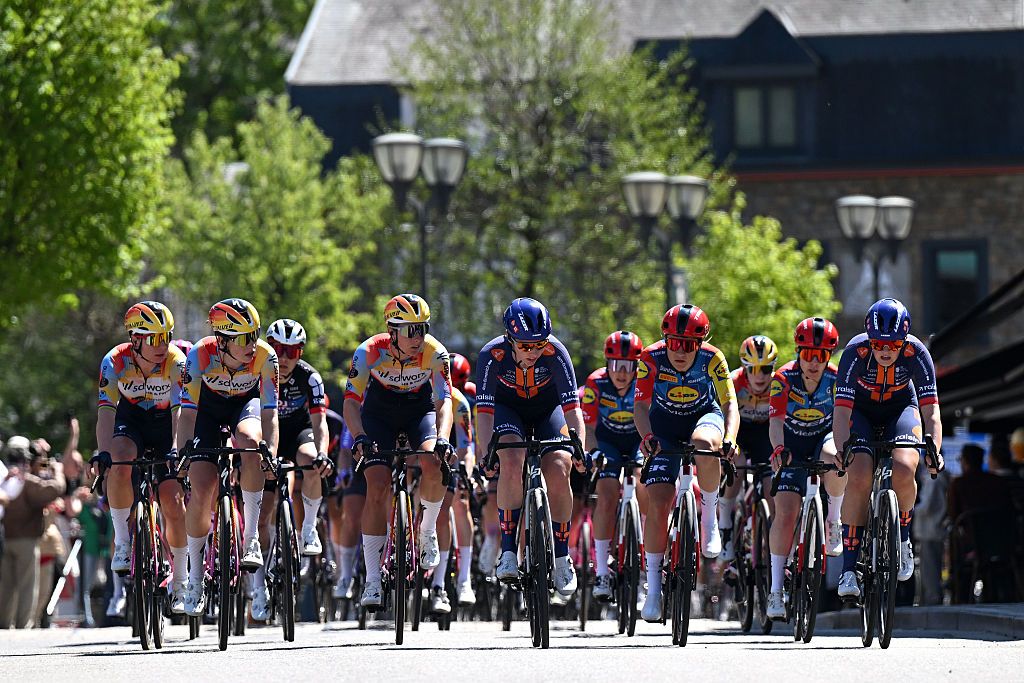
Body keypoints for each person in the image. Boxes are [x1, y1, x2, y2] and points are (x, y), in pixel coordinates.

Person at [344, 294, 454, 610]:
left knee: (434, 460)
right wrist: (359, 436)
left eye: (422, 329)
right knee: (377, 486)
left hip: (419, 411)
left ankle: (427, 529)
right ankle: (373, 582)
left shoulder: (435, 353)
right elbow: (351, 402)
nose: (418, 338)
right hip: (378, 414)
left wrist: (443, 437)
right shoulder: (368, 352)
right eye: (410, 331)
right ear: (392, 331)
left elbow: (444, 400)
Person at [633, 304, 739, 622]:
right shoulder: (650, 358)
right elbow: (639, 405)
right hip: (663, 426)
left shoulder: (712, 358)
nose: (680, 351)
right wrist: (647, 436)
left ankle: (708, 518)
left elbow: (729, 405)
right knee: (659, 502)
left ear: (700, 343)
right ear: (665, 339)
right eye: (674, 343)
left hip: (703, 418)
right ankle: (653, 590)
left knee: (705, 445)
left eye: (688, 344)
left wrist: (730, 437)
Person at [833, 298, 944, 600]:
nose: (884, 351)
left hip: (901, 410)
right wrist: (842, 450)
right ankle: (848, 569)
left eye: (892, 345)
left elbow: (930, 411)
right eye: (879, 345)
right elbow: (841, 413)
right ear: (869, 340)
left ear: (903, 341)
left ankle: (904, 539)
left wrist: (935, 449)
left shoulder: (917, 353)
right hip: (861, 413)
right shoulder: (855, 353)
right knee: (858, 476)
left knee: (906, 468)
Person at [475, 297, 586, 599]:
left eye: (539, 344)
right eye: (525, 346)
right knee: (511, 459)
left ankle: (562, 558)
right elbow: (483, 414)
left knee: (560, 465)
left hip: (548, 411)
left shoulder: (556, 353)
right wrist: (485, 454)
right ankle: (508, 551)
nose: (534, 352)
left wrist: (579, 448)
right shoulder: (492, 355)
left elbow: (573, 410)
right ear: (510, 340)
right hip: (508, 411)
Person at [178, 298, 280, 617]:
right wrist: (183, 452)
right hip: (207, 412)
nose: (252, 344)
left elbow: (270, 413)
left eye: (255, 334)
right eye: (242, 338)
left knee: (251, 441)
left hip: (244, 408)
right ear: (221, 341)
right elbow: (187, 414)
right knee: (202, 489)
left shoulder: (266, 357)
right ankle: (195, 579)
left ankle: (249, 538)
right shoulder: (198, 356)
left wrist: (270, 453)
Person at [91, 301, 188, 614]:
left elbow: (180, 411)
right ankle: (122, 542)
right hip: (131, 421)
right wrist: (103, 453)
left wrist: (175, 449)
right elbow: (106, 412)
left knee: (173, 499)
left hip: (166, 426)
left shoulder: (177, 360)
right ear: (135, 339)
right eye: (155, 339)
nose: (163, 345)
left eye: (167, 336)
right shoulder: (114, 361)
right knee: (118, 463)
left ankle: (182, 577)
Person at [243, 318, 332, 621]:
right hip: (266, 434)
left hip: (296, 432)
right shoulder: (256, 373)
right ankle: (258, 589)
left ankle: (308, 529)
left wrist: (322, 453)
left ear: (301, 352)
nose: (284, 357)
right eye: (279, 349)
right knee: (263, 512)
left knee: (310, 460)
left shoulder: (310, 377)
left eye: (292, 351)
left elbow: (320, 422)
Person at [764, 317, 845, 619]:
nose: (814, 361)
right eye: (808, 354)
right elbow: (774, 422)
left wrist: (843, 450)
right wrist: (779, 449)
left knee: (835, 456)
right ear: (798, 352)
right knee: (785, 513)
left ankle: (833, 520)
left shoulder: (837, 379)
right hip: (791, 444)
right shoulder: (783, 379)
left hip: (823, 438)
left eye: (821, 355)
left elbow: (843, 422)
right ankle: (775, 591)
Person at [582, 331, 645, 602]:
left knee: (647, 488)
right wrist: (593, 451)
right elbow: (588, 427)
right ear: (607, 364)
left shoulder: (645, 383)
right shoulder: (595, 383)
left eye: (629, 366)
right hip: (606, 442)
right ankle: (602, 571)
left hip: (637, 440)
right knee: (606, 495)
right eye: (616, 365)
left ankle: (644, 567)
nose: (622, 372)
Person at [721, 335, 778, 562]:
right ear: (744, 368)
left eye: (765, 369)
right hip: (740, 433)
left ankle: (771, 544)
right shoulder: (733, 382)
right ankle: (725, 525)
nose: (760, 375)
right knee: (739, 466)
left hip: (765, 435)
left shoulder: (779, 383)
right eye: (752, 369)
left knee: (771, 488)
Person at [0, 439, 66, 628]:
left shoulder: (4, 478)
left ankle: (4, 623)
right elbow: (55, 489)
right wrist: (58, 472)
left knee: (6, 585)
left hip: (6, 539)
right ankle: (23, 624)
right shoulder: (26, 482)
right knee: (27, 585)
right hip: (26, 541)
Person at [428, 383, 475, 614]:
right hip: (420, 452)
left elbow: (467, 448)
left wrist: (466, 471)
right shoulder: (411, 387)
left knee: (454, 504)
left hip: (449, 453)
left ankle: (456, 581)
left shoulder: (459, 402)